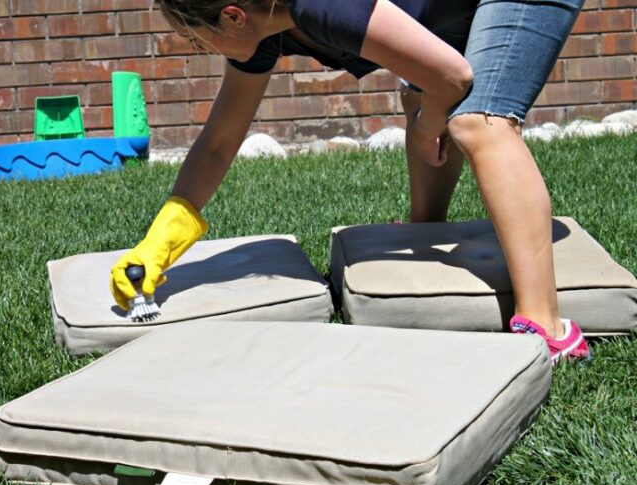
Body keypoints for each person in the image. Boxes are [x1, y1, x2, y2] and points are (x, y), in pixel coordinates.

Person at [110, 0, 590, 364]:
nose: (203, 50)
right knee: (423, 95)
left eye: (199, 40)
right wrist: (159, 243)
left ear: (233, 17)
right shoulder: (266, 26)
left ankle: (546, 327)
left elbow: (454, 76)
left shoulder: (324, 5)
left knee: (476, 121)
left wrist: (430, 123)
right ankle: (428, 231)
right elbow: (219, 142)